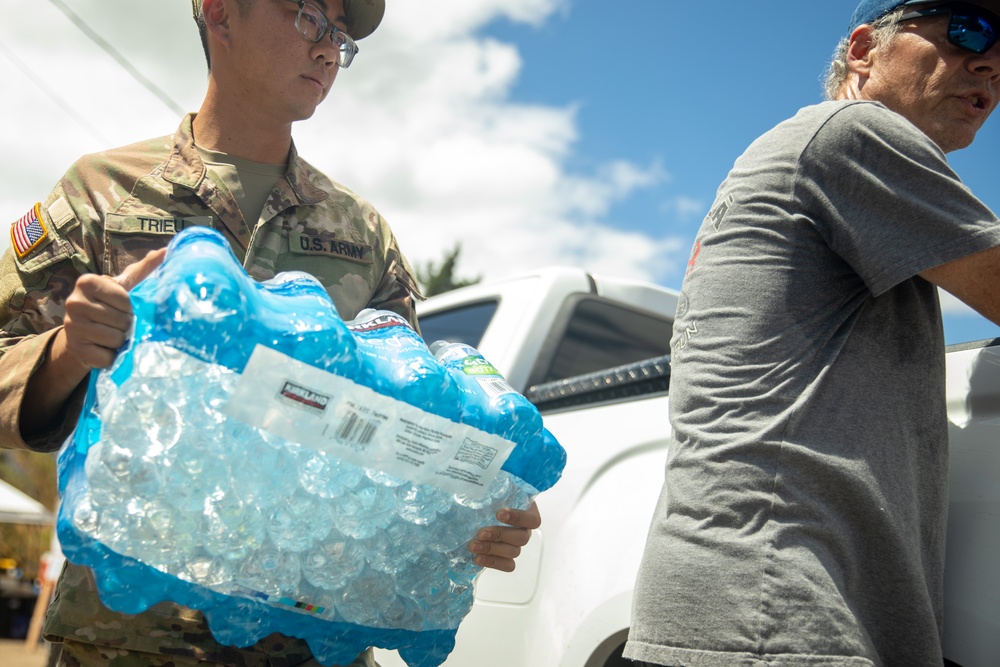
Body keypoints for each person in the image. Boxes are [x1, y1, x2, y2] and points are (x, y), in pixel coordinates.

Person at [0, 1, 541, 665]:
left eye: (340, 37)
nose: (328, 50)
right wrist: (65, 353)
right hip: (125, 637)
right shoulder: (102, 195)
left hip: (306, 643)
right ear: (220, 11)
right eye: (313, 17)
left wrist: (475, 510)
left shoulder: (361, 235)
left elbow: (406, 434)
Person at [624, 1, 1000, 665]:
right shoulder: (855, 131)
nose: (989, 62)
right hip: (778, 614)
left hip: (751, 611)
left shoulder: (805, 154)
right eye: (967, 29)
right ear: (863, 51)